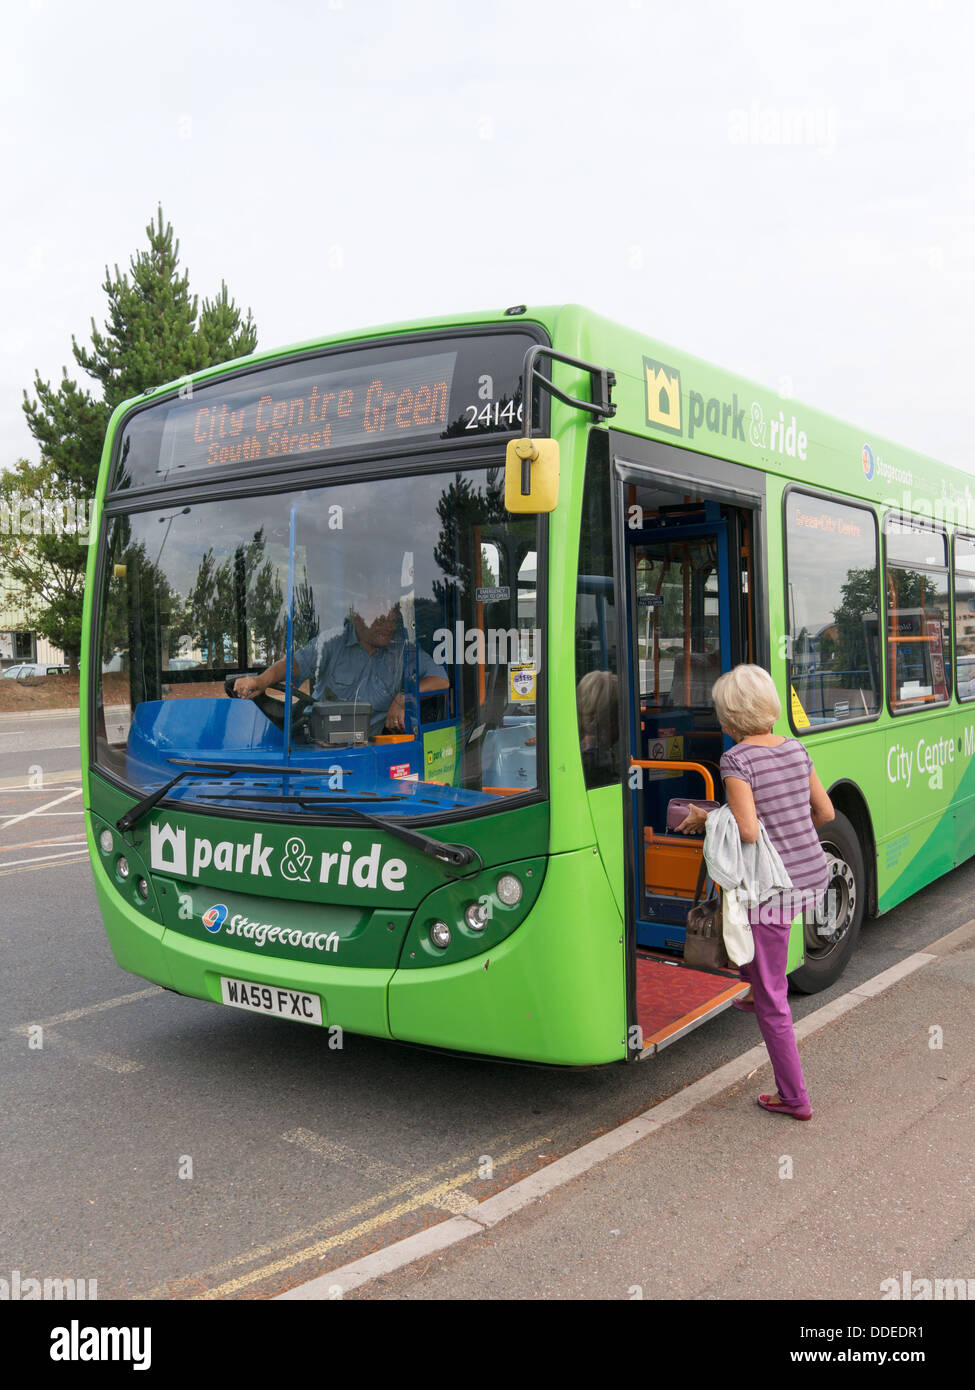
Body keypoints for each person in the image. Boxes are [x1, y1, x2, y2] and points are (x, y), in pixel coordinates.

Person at [677, 664, 834, 1120]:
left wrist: (704, 817)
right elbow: (823, 812)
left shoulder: (737, 760)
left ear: (728, 720)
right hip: (810, 875)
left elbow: (745, 830)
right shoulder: (796, 748)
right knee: (758, 948)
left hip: (774, 887)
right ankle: (756, 985)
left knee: (773, 1002)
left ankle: (794, 1097)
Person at [234, 589, 449, 736]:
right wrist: (261, 681)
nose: (387, 627)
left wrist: (405, 697)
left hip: (369, 749)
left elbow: (441, 679)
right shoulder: (331, 642)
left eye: (391, 620)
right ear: (357, 619)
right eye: (380, 620)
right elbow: (293, 664)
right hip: (317, 746)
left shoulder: (402, 649)